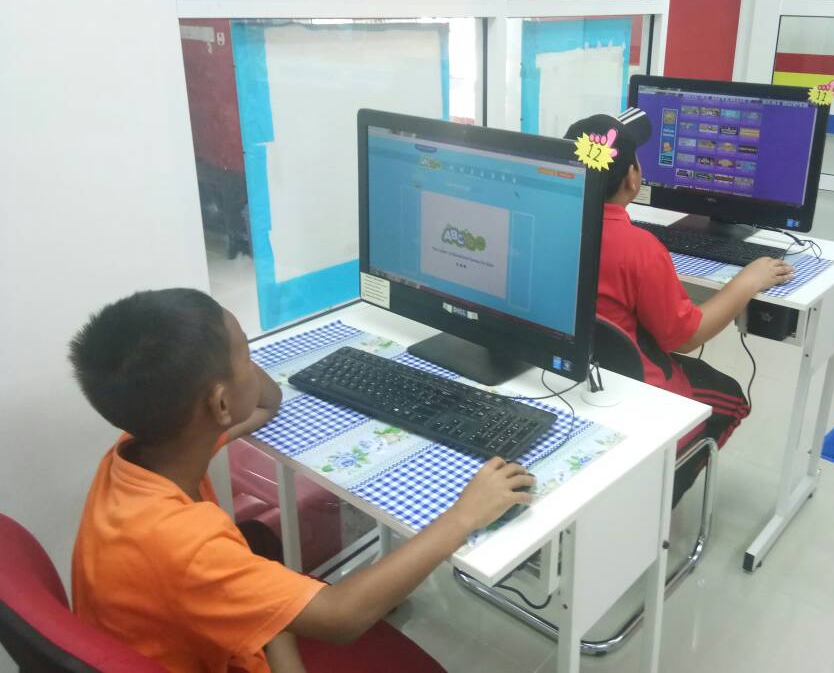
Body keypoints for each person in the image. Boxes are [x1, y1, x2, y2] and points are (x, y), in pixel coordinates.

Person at [68, 288, 533, 672]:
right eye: (246, 354)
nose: (253, 361)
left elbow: (267, 403)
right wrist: (463, 516)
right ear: (220, 405)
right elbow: (341, 619)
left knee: (263, 556)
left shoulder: (145, 448)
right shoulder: (184, 545)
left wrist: (232, 366)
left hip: (191, 634)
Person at [565, 112, 795, 487]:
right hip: (635, 387)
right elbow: (685, 338)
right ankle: (657, 495)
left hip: (573, 373)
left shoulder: (550, 223)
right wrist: (747, 281)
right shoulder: (639, 249)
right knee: (731, 397)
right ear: (632, 177)